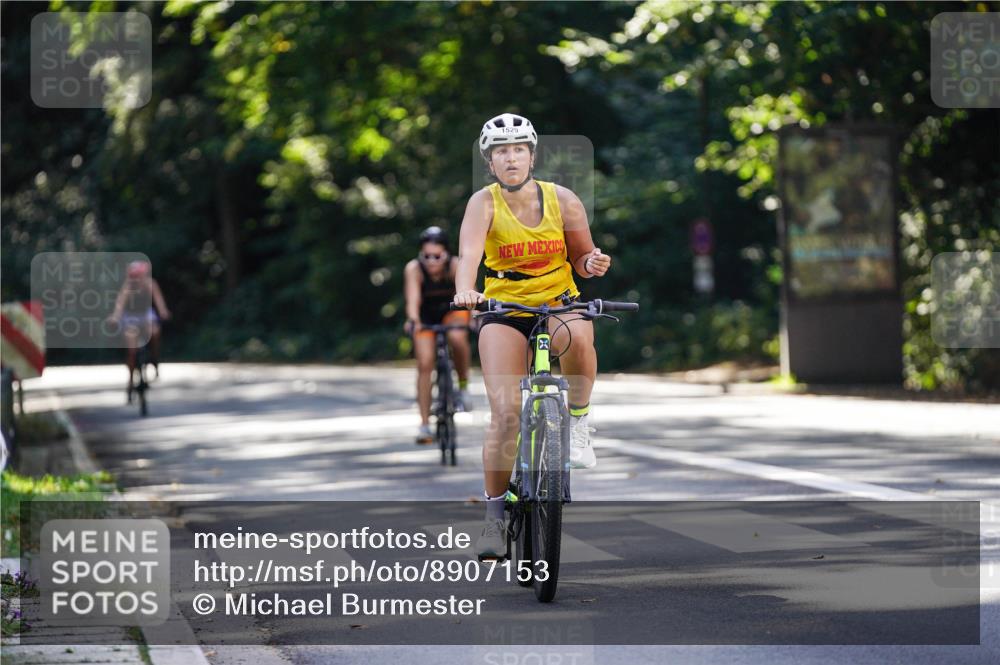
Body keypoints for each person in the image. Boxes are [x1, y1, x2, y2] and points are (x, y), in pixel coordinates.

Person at [452, 113, 612, 558]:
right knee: (505, 414)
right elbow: (468, 255)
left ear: (532, 155)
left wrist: (593, 265)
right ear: (490, 162)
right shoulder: (483, 204)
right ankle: (494, 519)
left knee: (581, 337)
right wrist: (467, 290)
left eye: (518, 149)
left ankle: (578, 422)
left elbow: (583, 258)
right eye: (500, 151)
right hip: (504, 310)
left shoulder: (564, 200)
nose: (510, 157)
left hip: (559, 302)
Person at [404, 226, 472, 444]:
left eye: (437, 256)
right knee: (424, 364)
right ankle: (424, 425)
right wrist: (413, 320)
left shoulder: (455, 266)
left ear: (446, 254)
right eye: (426, 256)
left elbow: (468, 294)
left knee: (457, 338)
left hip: (452, 312)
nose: (431, 261)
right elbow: (413, 300)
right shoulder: (414, 269)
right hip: (426, 317)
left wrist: (476, 316)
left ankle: (462, 387)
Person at [108, 260, 171, 401]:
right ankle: (130, 380)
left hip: (145, 315)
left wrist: (163, 312)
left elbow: (159, 301)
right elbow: (120, 304)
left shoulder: (151, 284)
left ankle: (154, 359)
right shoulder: (127, 286)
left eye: (139, 275)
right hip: (130, 317)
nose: (136, 279)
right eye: (133, 276)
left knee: (154, 332)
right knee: (131, 349)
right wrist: (115, 317)